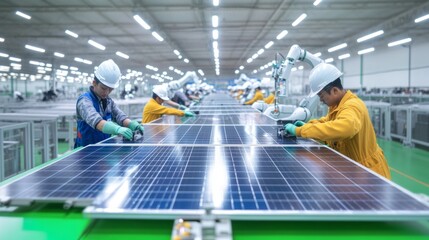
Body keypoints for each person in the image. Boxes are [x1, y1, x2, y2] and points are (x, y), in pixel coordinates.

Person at [284, 63, 391, 179]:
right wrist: (308, 125)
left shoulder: (353, 106)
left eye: (322, 96)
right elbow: (327, 122)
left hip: (368, 173)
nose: (321, 100)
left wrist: (300, 131)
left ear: (334, 90)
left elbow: (345, 128)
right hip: (353, 169)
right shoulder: (337, 106)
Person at [75, 59, 144, 148]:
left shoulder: (108, 101)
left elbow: (120, 116)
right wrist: (117, 129)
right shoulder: (84, 101)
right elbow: (96, 121)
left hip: (104, 148)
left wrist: (132, 124)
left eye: (110, 89)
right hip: (86, 151)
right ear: (94, 83)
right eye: (104, 88)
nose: (107, 92)